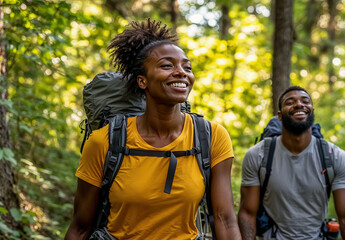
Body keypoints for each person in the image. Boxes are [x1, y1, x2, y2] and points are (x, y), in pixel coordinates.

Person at [65, 19, 241, 240]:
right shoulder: (105, 141)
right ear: (142, 81)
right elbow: (80, 227)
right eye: (167, 66)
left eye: (187, 67)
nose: (181, 73)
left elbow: (225, 219)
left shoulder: (211, 136)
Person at [238, 86, 345, 240]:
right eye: (290, 102)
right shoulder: (258, 155)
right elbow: (247, 213)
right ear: (280, 116)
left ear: (312, 110)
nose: (299, 104)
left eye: (305, 101)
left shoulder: (335, 157)